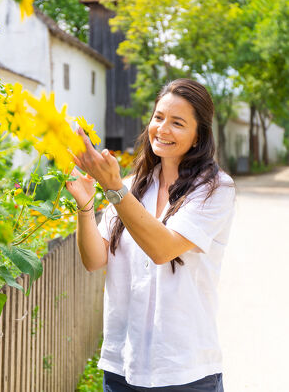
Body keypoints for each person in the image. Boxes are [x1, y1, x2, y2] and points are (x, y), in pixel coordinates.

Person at [66, 78, 236, 392]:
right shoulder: (132, 185)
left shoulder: (214, 190)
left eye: (178, 123)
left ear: (198, 136)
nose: (162, 128)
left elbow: (162, 249)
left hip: (186, 372)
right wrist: (86, 204)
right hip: (122, 368)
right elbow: (94, 260)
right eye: (158, 117)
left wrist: (114, 189)